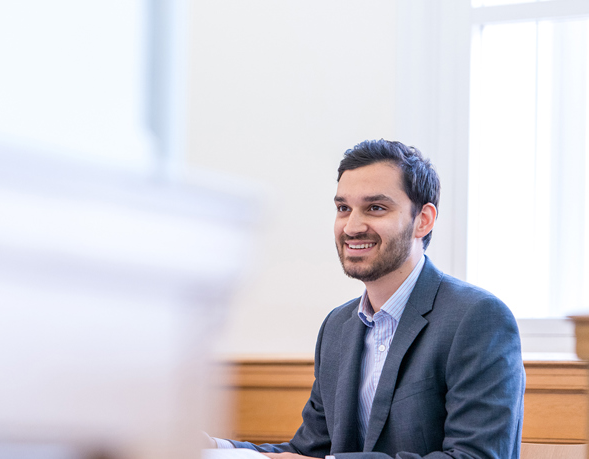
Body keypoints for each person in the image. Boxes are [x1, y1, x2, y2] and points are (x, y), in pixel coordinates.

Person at [211, 139, 525, 458]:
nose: (352, 226)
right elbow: (309, 452)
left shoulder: (478, 318)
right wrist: (216, 449)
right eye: (343, 208)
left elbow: (476, 456)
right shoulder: (337, 327)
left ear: (423, 220)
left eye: (375, 208)